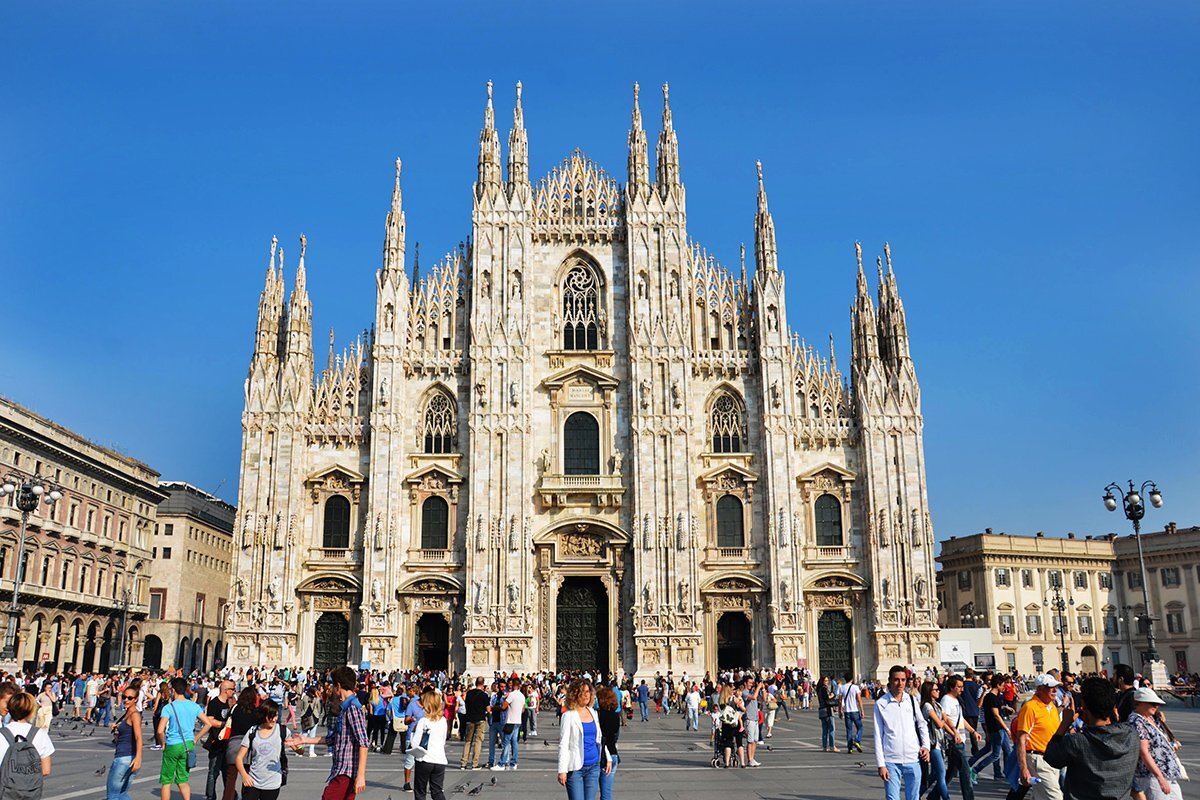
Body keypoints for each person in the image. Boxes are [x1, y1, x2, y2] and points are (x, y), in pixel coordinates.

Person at [1043, 677, 1139, 800]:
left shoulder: (1076, 742)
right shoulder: (1131, 735)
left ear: (1084, 706)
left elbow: (1051, 757)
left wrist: (1064, 725)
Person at [286, 666, 368, 800]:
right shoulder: (345, 707)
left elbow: (363, 742)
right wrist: (304, 740)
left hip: (346, 772)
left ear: (338, 686)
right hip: (341, 770)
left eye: (332, 685)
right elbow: (333, 739)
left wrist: (361, 775)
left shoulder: (352, 707)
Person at [873, 665, 930, 800]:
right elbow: (878, 735)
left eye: (903, 680)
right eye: (896, 680)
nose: (900, 684)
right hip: (891, 760)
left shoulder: (911, 700)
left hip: (913, 758)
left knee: (914, 798)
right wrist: (881, 764)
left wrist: (926, 746)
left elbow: (922, 724)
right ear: (890, 681)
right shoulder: (881, 704)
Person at [158, 677, 217, 800]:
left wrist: (163, 743)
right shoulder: (193, 706)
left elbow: (160, 730)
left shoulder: (169, 707)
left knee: (166, 780)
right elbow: (208, 723)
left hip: (172, 744)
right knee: (183, 779)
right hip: (188, 744)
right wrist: (196, 738)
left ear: (173, 690)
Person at [1126, 687, 1184, 800]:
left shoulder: (1150, 719)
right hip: (1152, 777)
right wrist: (1159, 777)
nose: (1156, 706)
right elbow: (1144, 752)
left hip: (1168, 774)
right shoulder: (1136, 721)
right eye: (1152, 703)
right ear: (1140, 702)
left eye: (1157, 704)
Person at [1013, 674, 1064, 800]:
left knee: (1041, 796)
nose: (1055, 690)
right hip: (1038, 759)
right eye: (1050, 687)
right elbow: (1021, 739)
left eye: (1056, 687)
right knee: (1056, 797)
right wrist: (1023, 768)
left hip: (1051, 758)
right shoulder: (1030, 707)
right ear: (1040, 689)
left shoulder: (1052, 707)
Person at [556, 679, 607, 800]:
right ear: (575, 694)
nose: (586, 695)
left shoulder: (593, 712)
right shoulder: (568, 715)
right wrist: (562, 770)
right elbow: (564, 744)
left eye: (588, 691)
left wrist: (608, 757)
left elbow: (599, 738)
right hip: (576, 768)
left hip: (594, 766)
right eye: (583, 692)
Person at [0, 691, 54, 796]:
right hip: (30, 791)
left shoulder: (2, 734)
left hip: (5, 791)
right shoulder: (40, 734)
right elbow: (46, 770)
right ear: (31, 711)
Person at [235, 699, 288, 800]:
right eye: (271, 716)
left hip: (272, 783)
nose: (274, 719)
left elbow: (299, 750)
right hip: (252, 781)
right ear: (264, 715)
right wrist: (244, 775)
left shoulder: (282, 730)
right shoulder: (253, 731)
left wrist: (298, 747)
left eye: (276, 716)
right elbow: (239, 758)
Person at [939, 675, 979, 800]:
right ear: (952, 687)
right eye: (959, 687)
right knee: (965, 772)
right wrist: (954, 733)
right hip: (954, 741)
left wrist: (973, 731)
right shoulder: (946, 700)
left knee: (951, 772)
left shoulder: (956, 700)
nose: (962, 689)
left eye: (962, 687)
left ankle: (934, 795)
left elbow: (961, 719)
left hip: (960, 738)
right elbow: (944, 720)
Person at [969, 674, 1013, 781]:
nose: (1004, 687)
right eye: (1002, 685)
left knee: (1007, 750)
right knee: (995, 754)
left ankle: (1007, 773)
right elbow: (995, 715)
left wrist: (1005, 707)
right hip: (996, 728)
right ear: (998, 685)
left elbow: (997, 708)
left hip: (998, 728)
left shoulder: (995, 696)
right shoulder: (990, 697)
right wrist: (1007, 729)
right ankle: (975, 770)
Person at [409, 688, 449, 800]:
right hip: (439, 759)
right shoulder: (443, 721)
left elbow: (415, 743)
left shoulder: (423, 721)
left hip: (425, 759)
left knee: (420, 792)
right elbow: (443, 740)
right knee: (437, 791)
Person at [108, 684, 144, 800]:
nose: (126, 700)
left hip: (124, 758)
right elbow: (128, 730)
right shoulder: (128, 713)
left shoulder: (135, 715)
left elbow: (139, 737)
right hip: (127, 757)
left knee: (113, 795)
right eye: (124, 697)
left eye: (130, 698)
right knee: (122, 794)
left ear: (136, 699)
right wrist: (118, 727)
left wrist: (138, 758)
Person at [204, 681, 236, 800]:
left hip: (228, 743)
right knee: (213, 772)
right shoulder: (214, 703)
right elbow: (209, 720)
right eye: (232, 689)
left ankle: (230, 795)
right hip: (216, 742)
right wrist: (225, 724)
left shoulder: (231, 703)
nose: (234, 691)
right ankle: (210, 796)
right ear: (226, 690)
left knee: (227, 772)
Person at [919, 680, 951, 800]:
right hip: (932, 744)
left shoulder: (937, 705)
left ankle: (915, 796)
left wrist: (953, 733)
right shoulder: (927, 706)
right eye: (936, 690)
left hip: (940, 743)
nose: (938, 691)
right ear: (929, 691)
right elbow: (939, 723)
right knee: (942, 773)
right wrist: (943, 719)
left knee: (934, 774)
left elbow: (945, 721)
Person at [596, 685, 621, 800]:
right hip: (613, 753)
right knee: (606, 793)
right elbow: (615, 736)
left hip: (603, 755)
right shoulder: (615, 715)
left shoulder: (599, 715)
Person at [495, 677, 524, 771]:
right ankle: (514, 763)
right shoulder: (522, 696)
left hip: (510, 721)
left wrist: (504, 698)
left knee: (506, 742)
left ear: (513, 685)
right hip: (518, 721)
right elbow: (523, 709)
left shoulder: (511, 695)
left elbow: (503, 707)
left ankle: (501, 764)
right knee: (514, 742)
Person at [460, 677, 490, 770]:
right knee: (478, 741)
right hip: (480, 719)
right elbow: (488, 709)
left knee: (468, 741)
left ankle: (463, 763)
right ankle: (474, 764)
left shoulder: (469, 693)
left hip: (469, 719)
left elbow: (466, 705)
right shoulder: (484, 695)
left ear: (476, 683)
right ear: (483, 684)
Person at [838, 672, 864, 754]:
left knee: (849, 730)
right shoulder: (855, 687)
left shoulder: (842, 688)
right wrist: (862, 710)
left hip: (847, 711)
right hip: (855, 710)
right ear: (852, 679)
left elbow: (840, 701)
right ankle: (857, 740)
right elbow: (859, 700)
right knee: (860, 727)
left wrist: (840, 711)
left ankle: (850, 748)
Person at [816, 675, 837, 752]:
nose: (827, 682)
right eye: (825, 681)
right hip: (827, 710)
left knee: (825, 730)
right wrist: (832, 695)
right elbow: (827, 698)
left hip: (821, 710)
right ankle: (832, 746)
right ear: (822, 681)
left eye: (827, 681)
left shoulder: (819, 689)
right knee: (831, 729)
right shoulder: (824, 689)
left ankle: (824, 747)